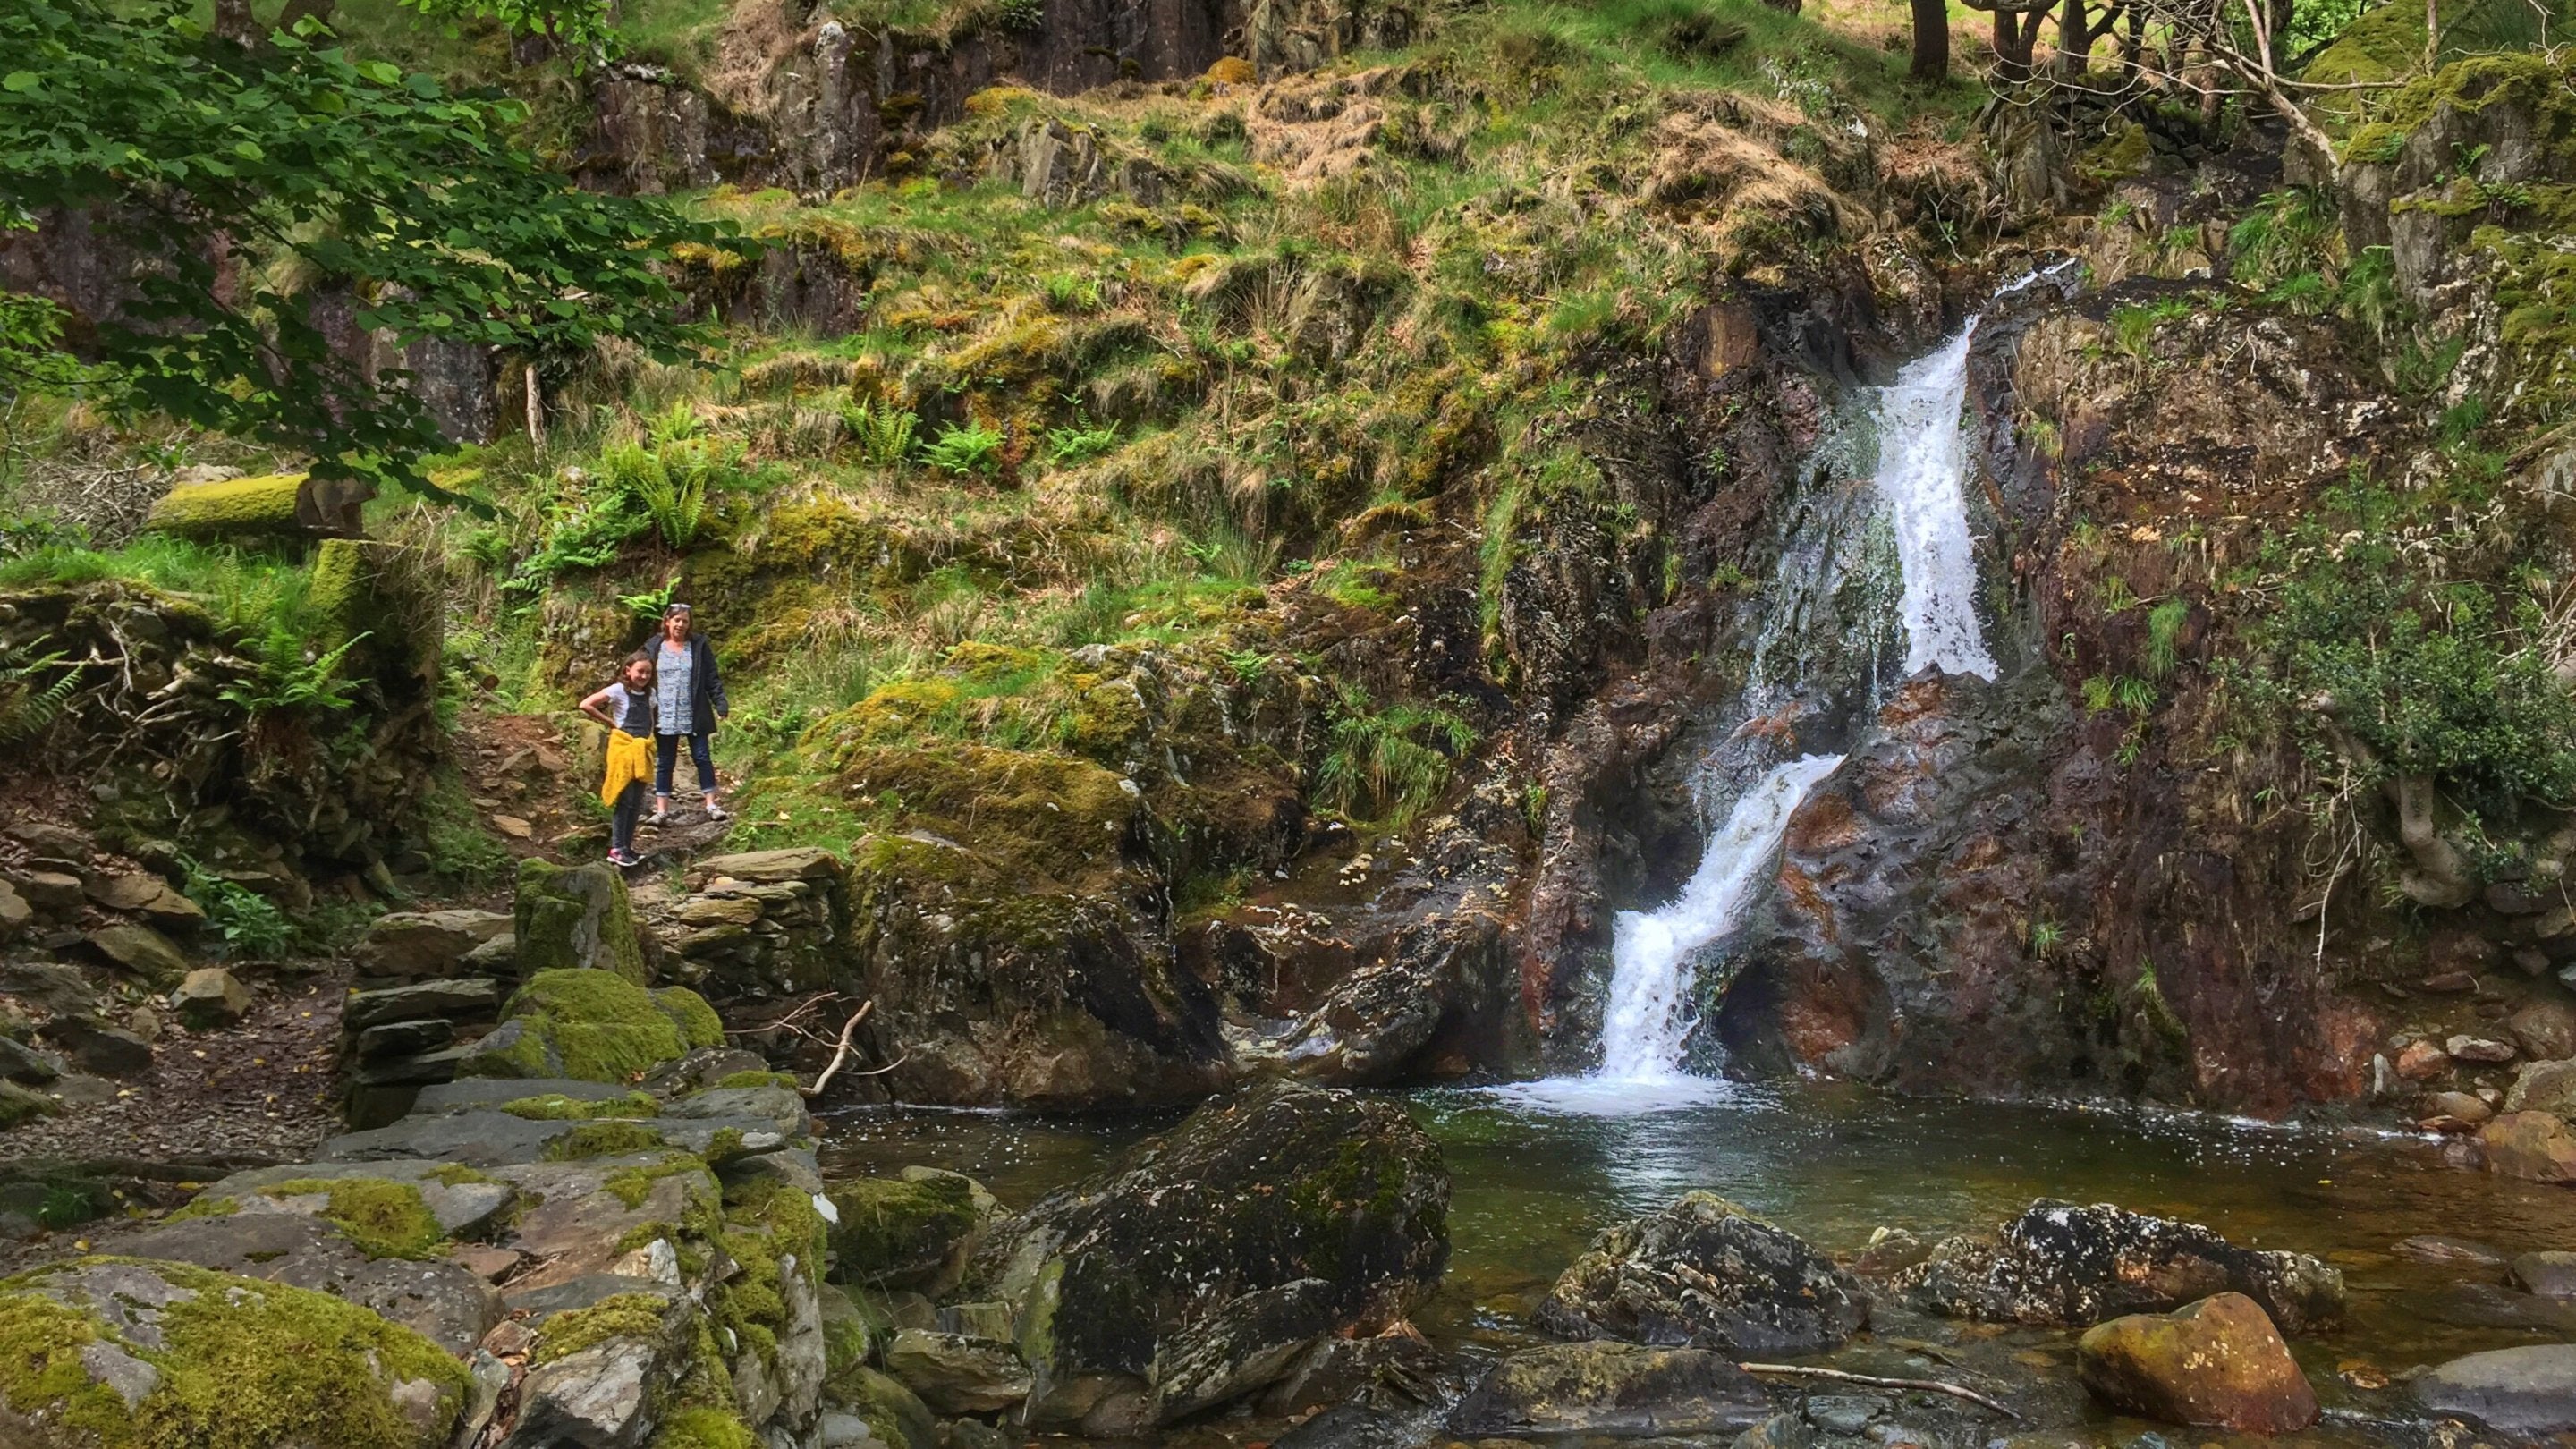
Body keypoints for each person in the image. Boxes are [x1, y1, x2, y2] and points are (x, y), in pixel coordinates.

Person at [649, 601, 730, 826]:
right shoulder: (654, 646)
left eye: (685, 621)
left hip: (694, 711)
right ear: (667, 622)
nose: (681, 625)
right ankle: (661, 811)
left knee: (702, 757)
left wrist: (720, 703)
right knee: (665, 761)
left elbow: (711, 677)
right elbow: (642, 675)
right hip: (664, 712)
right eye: (677, 620)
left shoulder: (698, 646)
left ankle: (712, 805)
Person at [581, 650, 657, 867]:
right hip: (624, 749)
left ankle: (627, 847)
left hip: (642, 750)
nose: (643, 676)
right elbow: (586, 704)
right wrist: (610, 723)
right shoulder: (618, 691)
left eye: (648, 672)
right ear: (628, 671)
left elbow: (650, 719)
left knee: (636, 803)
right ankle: (616, 848)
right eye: (640, 671)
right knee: (625, 800)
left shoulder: (651, 694)